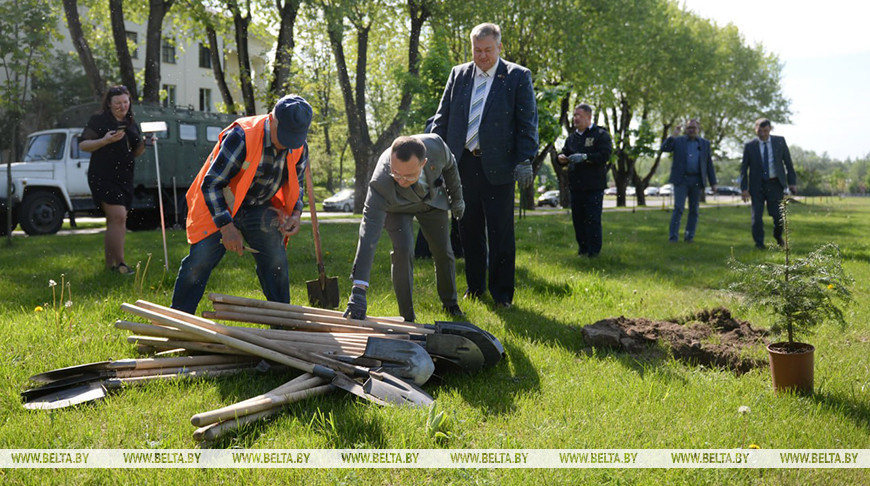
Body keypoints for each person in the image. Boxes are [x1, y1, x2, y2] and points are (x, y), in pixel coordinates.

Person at [170, 94, 312, 314]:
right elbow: (212, 184)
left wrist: (296, 212)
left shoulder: (298, 145)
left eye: (294, 137)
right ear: (272, 119)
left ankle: (283, 320)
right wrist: (226, 227)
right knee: (200, 261)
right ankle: (178, 318)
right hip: (222, 202)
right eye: (285, 135)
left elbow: (297, 182)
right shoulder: (243, 136)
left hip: (259, 205)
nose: (287, 143)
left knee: (275, 260)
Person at [431, 22, 538, 309]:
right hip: (462, 163)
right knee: (468, 229)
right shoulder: (459, 74)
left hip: (500, 166)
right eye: (477, 50)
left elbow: (527, 123)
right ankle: (475, 287)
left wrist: (525, 159)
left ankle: (502, 293)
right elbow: (442, 118)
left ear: (499, 47)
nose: (482, 56)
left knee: (501, 232)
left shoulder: (517, 76)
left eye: (488, 50)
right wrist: (434, 155)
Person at [343, 135, 465, 322]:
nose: (401, 180)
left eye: (408, 176)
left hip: (431, 203)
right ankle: (407, 317)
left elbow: (451, 166)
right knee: (403, 251)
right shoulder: (380, 183)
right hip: (397, 208)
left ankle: (451, 304)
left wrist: (457, 199)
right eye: (396, 173)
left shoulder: (437, 147)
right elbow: (368, 234)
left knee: (443, 251)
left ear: (423, 163)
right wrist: (358, 289)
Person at [79, 85, 145, 274]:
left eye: (125, 102)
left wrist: (146, 143)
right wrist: (105, 140)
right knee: (118, 217)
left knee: (115, 221)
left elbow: (135, 152)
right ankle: (121, 264)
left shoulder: (131, 123)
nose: (122, 106)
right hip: (103, 175)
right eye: (117, 103)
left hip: (125, 177)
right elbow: (83, 145)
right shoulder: (99, 120)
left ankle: (110, 267)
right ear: (109, 103)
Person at [556, 103, 613, 257]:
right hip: (576, 186)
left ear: (588, 117)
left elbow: (605, 155)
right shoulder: (572, 138)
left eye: (579, 115)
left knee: (593, 219)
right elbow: (564, 153)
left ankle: (594, 253)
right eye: (574, 115)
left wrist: (586, 157)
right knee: (578, 219)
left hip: (594, 186)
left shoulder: (600, 134)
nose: (575, 118)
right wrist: (560, 158)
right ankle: (583, 250)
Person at [740, 118, 797, 249]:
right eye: (760, 131)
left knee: (778, 215)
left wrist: (792, 182)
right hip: (757, 186)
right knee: (756, 217)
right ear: (755, 130)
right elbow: (744, 168)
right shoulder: (750, 146)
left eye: (765, 131)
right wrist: (744, 188)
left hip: (775, 184)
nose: (763, 134)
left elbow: (788, 163)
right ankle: (759, 244)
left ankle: (777, 236)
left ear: (770, 129)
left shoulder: (779, 141)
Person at [660, 119, 717, 243]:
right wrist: (673, 135)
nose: (691, 130)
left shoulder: (705, 143)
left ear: (698, 129)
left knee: (694, 210)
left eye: (694, 128)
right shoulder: (678, 141)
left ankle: (689, 236)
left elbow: (708, 164)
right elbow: (664, 148)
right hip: (681, 180)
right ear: (686, 130)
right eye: (689, 128)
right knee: (678, 208)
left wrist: (713, 182)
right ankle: (673, 238)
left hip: (697, 180)